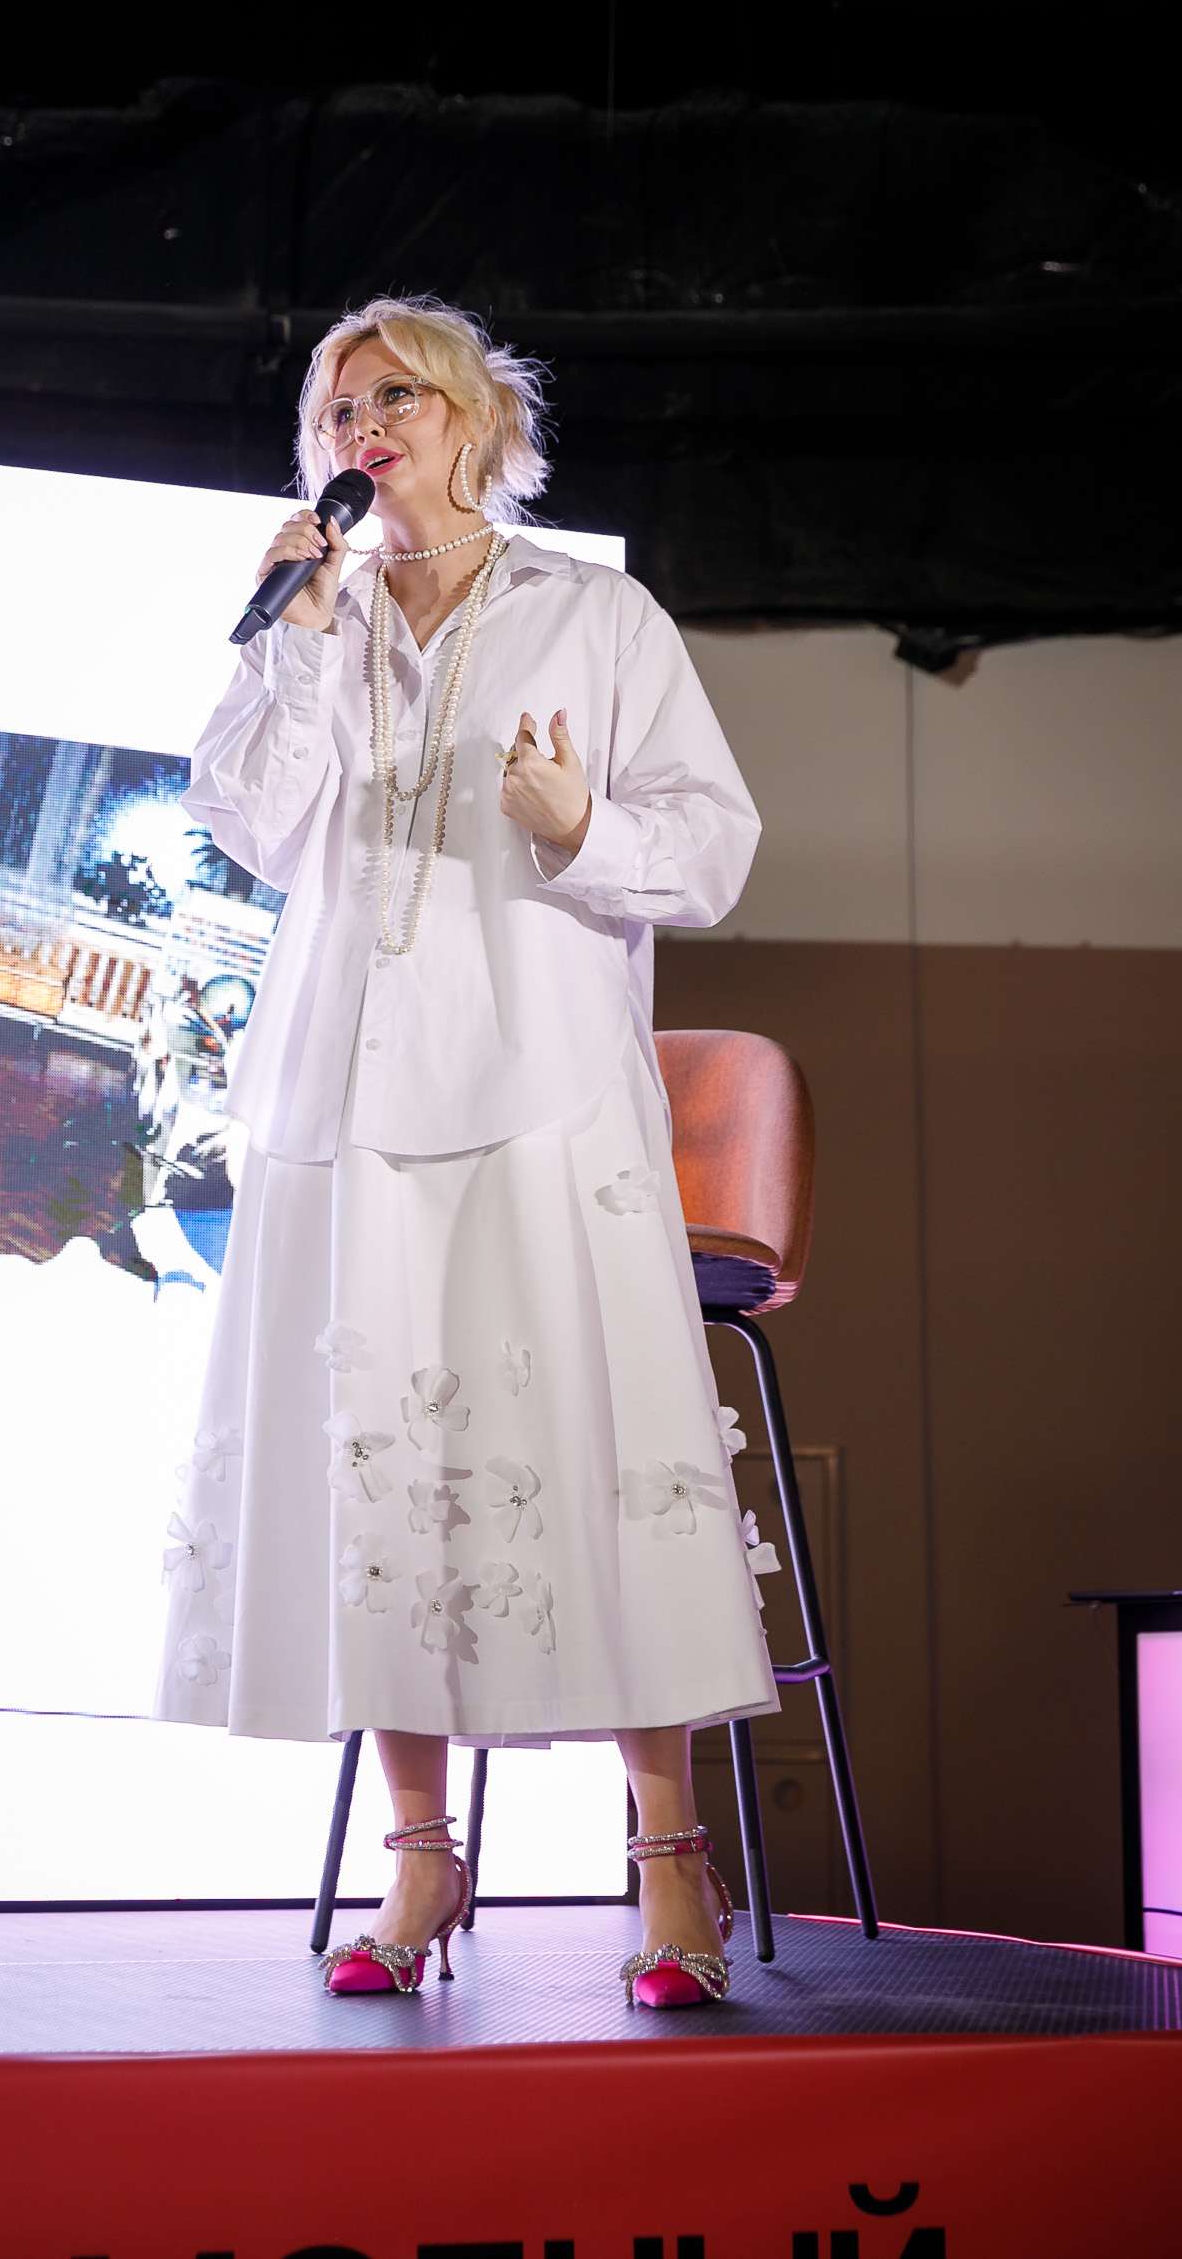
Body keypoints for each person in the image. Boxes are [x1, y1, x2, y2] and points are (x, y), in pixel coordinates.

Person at [151, 292, 781, 2009]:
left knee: (590, 1447)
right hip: (347, 1093)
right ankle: (421, 1861)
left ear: (478, 423)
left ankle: (670, 1857)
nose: (365, 429)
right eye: (339, 408)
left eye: (398, 399)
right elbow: (252, 824)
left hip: (539, 1088)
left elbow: (710, 850)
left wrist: (582, 825)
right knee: (382, 1465)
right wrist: (291, 636)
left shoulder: (594, 611)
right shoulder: (320, 616)